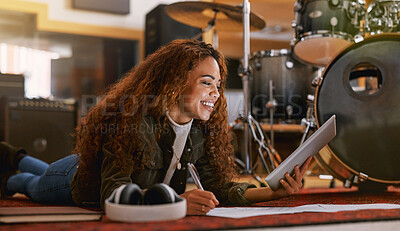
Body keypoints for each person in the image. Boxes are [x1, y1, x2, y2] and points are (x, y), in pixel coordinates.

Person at [0, 39, 311, 215]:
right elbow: (114, 193)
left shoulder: (201, 129)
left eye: (217, 84)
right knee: (30, 185)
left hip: (80, 167)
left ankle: (15, 155)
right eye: (206, 83)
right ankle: (13, 166)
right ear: (175, 83)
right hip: (78, 179)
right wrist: (176, 202)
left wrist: (270, 192)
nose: (216, 93)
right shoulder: (134, 121)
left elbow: (217, 189)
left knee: (41, 170)